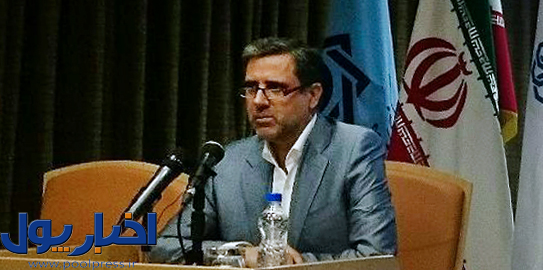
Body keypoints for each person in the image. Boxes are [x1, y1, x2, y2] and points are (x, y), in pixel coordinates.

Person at [150, 38, 397, 265]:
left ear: (313, 95)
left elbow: (377, 256)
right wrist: (240, 254)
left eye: (275, 88)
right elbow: (164, 247)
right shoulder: (228, 162)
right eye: (251, 88)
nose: (258, 101)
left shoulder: (354, 149)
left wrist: (288, 264)